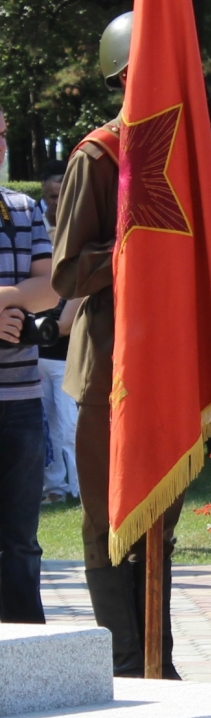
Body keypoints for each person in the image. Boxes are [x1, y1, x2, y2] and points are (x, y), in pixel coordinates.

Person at [51, 11, 183, 678]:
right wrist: (136, 253)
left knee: (163, 515)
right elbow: (67, 270)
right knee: (111, 522)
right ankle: (126, 659)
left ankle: (158, 651)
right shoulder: (97, 156)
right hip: (112, 369)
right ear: (128, 74)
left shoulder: (185, 152)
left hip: (171, 364)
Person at [0, 104, 58, 623]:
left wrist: (7, 298)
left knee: (20, 539)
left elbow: (52, 287)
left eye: (0, 134)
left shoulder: (21, 208)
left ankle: (24, 643)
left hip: (19, 401)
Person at [34, 162, 82, 504]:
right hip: (35, 350)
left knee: (69, 427)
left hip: (66, 353)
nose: (56, 201)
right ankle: (55, 488)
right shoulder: (34, 228)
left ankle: (82, 488)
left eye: (62, 195)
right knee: (47, 428)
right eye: (51, 195)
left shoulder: (77, 230)